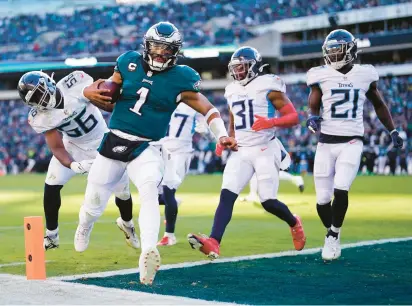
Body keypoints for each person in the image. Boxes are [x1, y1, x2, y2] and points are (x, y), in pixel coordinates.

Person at [76, 21, 237, 285]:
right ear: (146, 46)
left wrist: (221, 134)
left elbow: (208, 109)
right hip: (115, 138)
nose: (161, 53)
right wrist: (97, 93)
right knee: (94, 201)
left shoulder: (182, 77)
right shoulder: (128, 62)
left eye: (167, 49)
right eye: (157, 47)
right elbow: (108, 92)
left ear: (176, 51)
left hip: (148, 145)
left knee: (150, 190)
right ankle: (86, 224)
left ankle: (149, 251)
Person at [187, 46, 306, 260]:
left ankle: (293, 222)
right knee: (227, 195)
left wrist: (271, 122)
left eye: (242, 67)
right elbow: (233, 117)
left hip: (264, 148)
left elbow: (293, 117)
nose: (238, 72)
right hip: (242, 150)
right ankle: (214, 242)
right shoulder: (232, 89)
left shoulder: (268, 85)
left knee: (268, 201)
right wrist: (229, 137)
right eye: (236, 68)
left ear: (254, 67)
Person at [306, 29, 404, 261]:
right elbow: (314, 102)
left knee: (341, 188)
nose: (332, 55)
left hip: (351, 140)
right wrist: (312, 116)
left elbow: (379, 105)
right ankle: (333, 234)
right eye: (329, 51)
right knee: (322, 200)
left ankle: (332, 235)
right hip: (325, 142)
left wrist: (392, 129)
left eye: (337, 50)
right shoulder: (319, 74)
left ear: (350, 51)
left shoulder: (365, 74)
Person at [17, 70, 138, 251]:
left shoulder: (74, 82)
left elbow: (107, 98)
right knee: (51, 184)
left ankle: (127, 224)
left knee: (122, 192)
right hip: (72, 145)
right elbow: (56, 147)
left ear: (48, 83)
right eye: (34, 99)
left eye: (40, 93)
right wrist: (72, 164)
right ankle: (52, 235)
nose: (40, 100)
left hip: (102, 142)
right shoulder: (39, 117)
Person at [156, 102, 201, 246]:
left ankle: (169, 236)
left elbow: (204, 125)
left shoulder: (194, 104)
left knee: (169, 190)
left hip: (180, 153)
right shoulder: (163, 99)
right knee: (152, 195)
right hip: (160, 151)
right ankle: (174, 202)